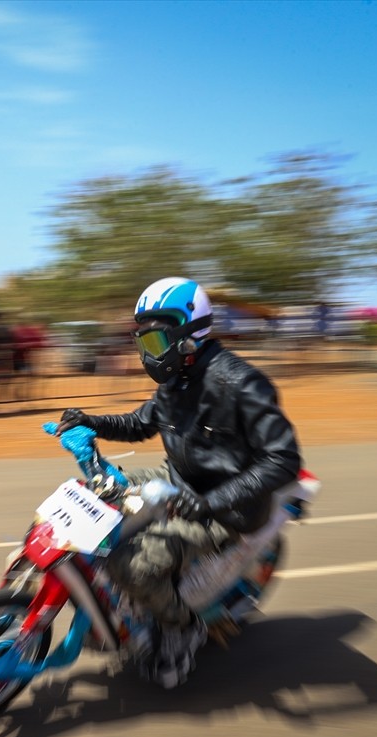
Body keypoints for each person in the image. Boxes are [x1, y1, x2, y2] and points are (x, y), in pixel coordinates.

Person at [56, 277, 302, 689]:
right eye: (142, 343)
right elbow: (139, 423)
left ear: (188, 333)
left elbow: (284, 459)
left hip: (226, 505)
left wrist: (213, 501)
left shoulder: (242, 383)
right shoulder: (178, 379)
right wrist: (90, 422)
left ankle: (181, 628)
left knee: (132, 566)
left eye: (153, 342)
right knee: (91, 498)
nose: (146, 353)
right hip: (177, 481)